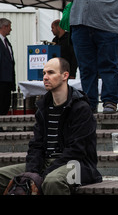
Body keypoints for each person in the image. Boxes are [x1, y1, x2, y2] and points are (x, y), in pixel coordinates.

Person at [0, 57, 102, 194]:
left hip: (78, 165)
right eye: (44, 73)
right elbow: (36, 145)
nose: (45, 77)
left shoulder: (81, 108)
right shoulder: (43, 107)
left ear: (65, 75)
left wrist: (43, 174)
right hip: (45, 162)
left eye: (51, 73)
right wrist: (32, 172)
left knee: (52, 181)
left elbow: (77, 150)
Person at [0, 18, 15, 116]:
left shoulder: (7, 42)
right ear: (4, 27)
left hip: (7, 80)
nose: (11, 29)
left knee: (5, 104)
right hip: (1, 80)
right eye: (9, 27)